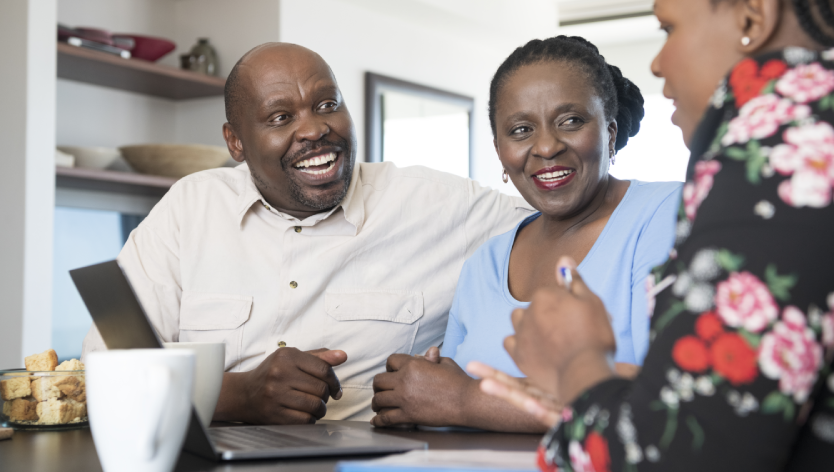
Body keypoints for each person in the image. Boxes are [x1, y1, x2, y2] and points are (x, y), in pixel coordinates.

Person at [81, 43, 534, 424]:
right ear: (235, 142)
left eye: (327, 105)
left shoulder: (440, 206)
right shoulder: (189, 209)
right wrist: (242, 394)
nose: (315, 129)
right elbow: (107, 372)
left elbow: (578, 213)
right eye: (280, 117)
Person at [475, 0, 834, 470]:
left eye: (669, 27)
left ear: (752, 18)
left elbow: (686, 453)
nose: (657, 62)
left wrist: (577, 364)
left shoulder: (784, 151)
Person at [369, 36, 682, 432]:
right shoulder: (485, 263)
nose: (547, 147)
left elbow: (668, 396)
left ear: (611, 132)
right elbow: (442, 396)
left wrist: (466, 400)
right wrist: (412, 392)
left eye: (571, 121)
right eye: (520, 129)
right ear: (500, 150)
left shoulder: (667, 214)